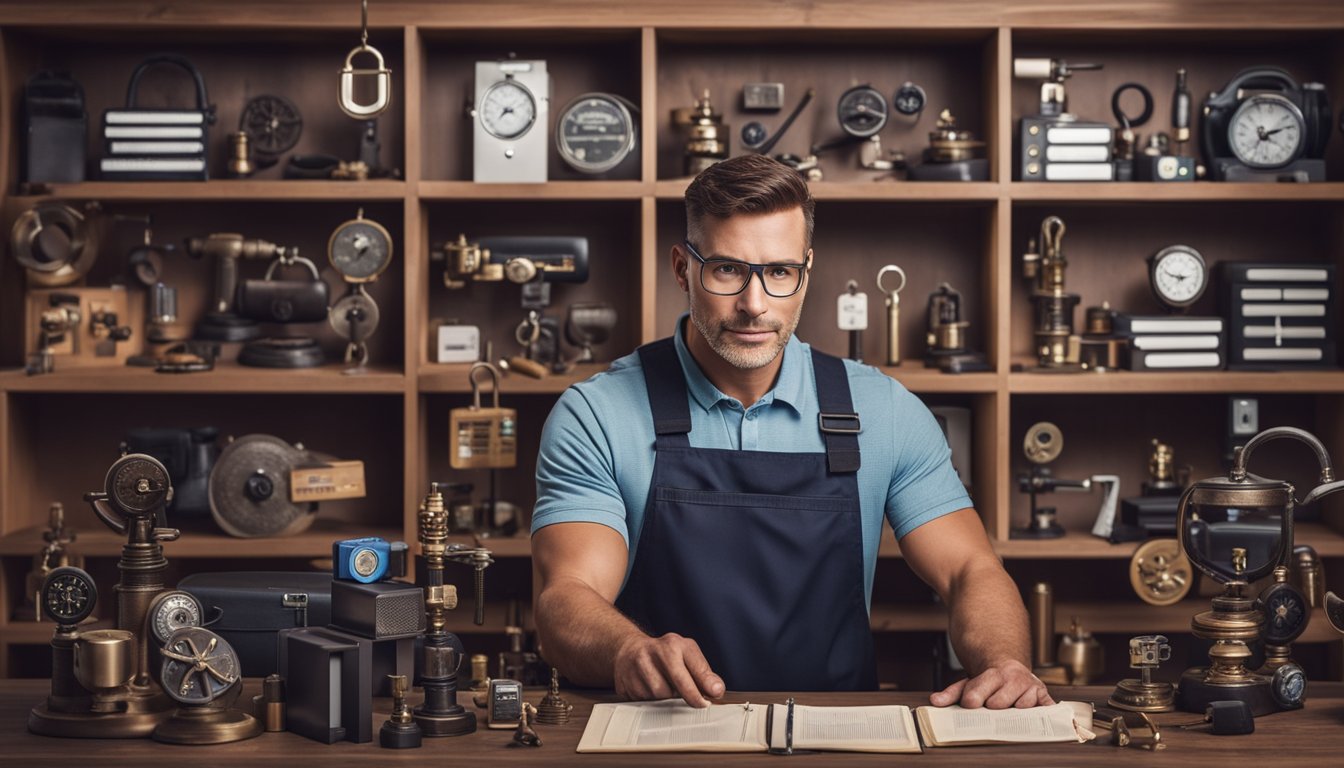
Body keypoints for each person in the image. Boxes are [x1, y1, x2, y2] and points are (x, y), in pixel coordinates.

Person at [530, 154, 1051, 710]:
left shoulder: (883, 410)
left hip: (839, 744)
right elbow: (566, 598)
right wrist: (626, 649)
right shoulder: (597, 414)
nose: (755, 306)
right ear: (683, 268)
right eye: (727, 269)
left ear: (806, 270)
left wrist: (1003, 663)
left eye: (779, 272)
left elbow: (971, 569)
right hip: (660, 735)